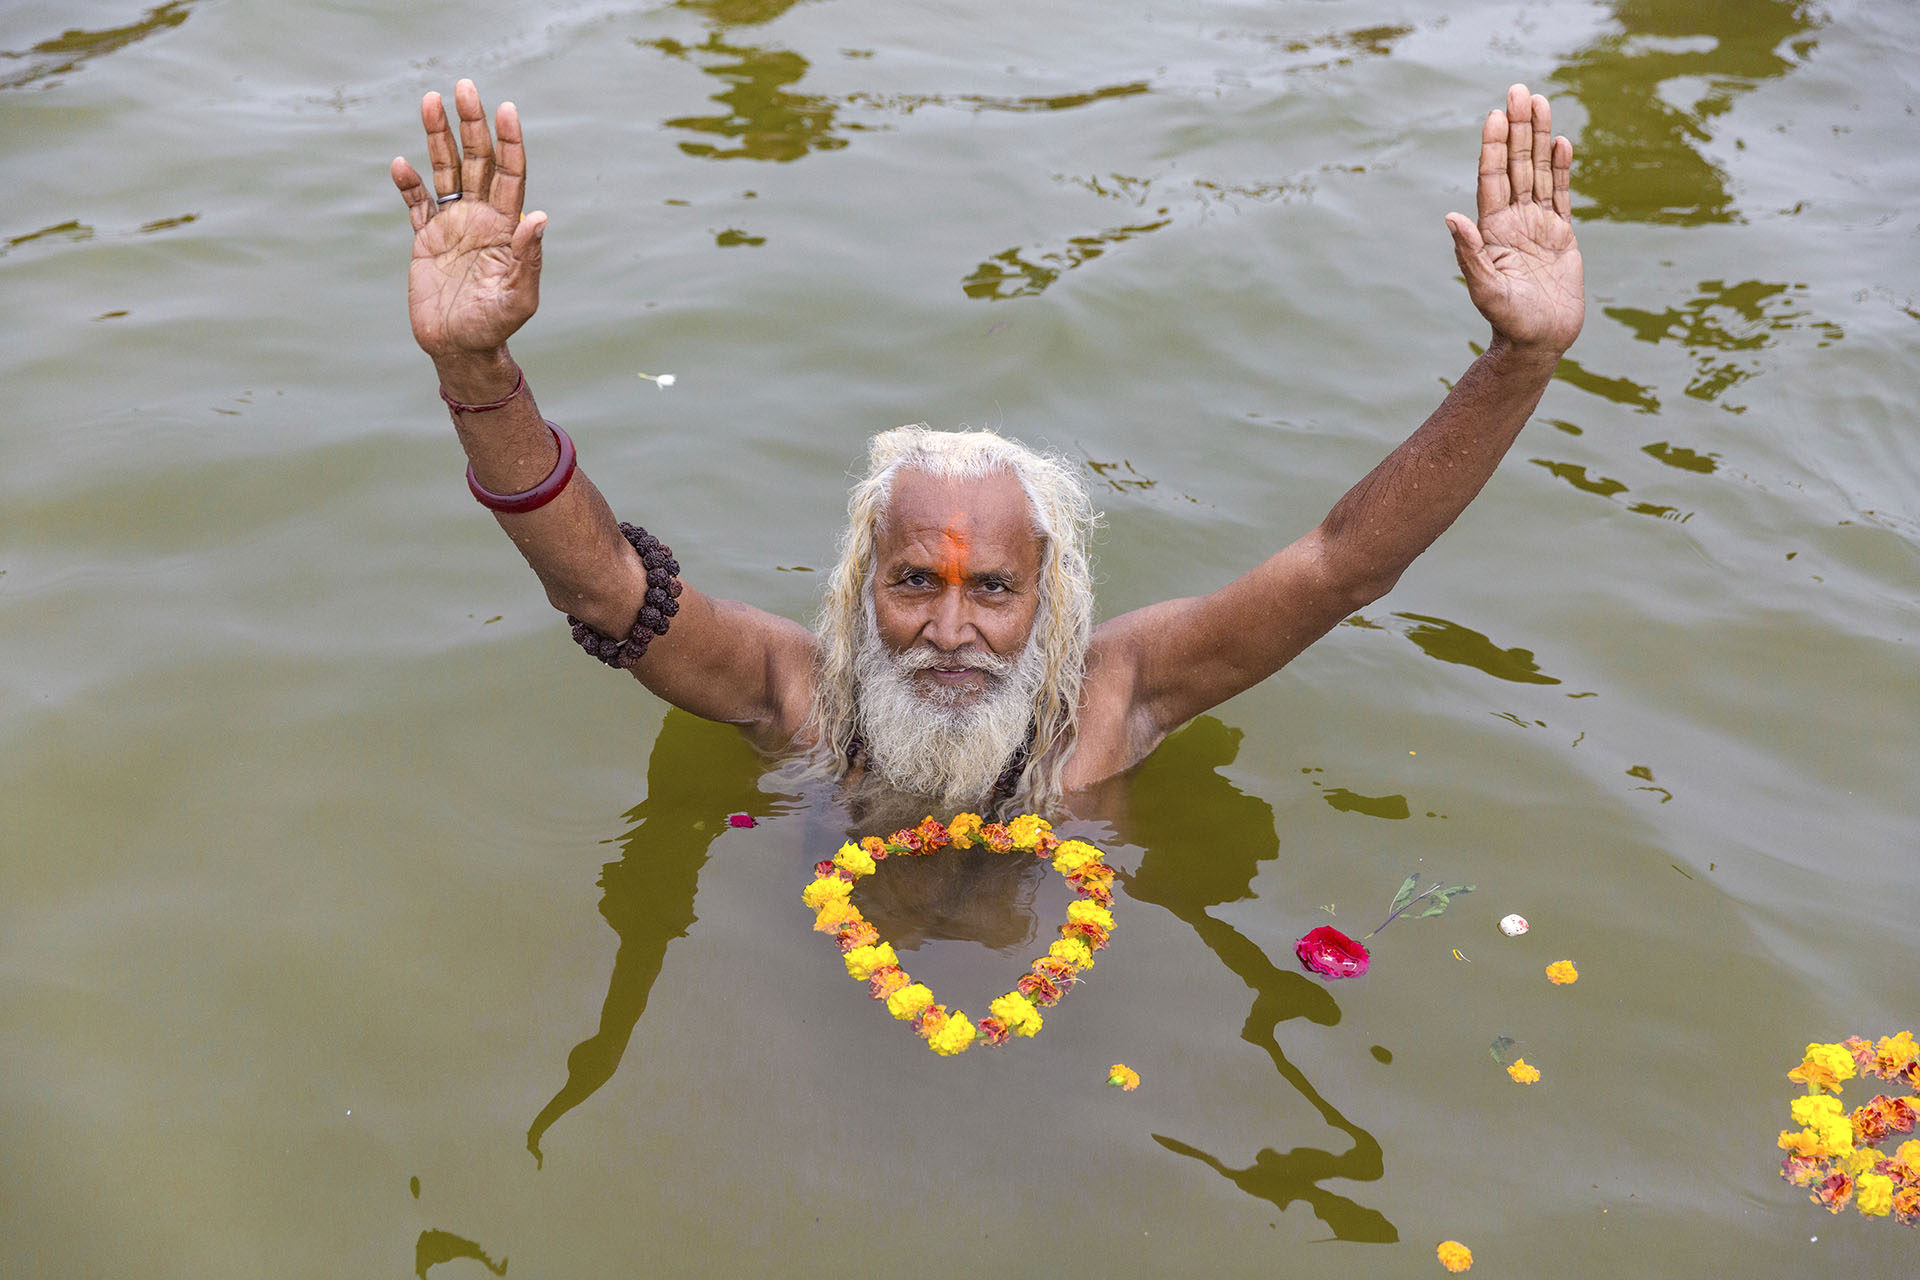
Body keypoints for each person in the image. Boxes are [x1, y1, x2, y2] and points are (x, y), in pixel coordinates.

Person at [390, 80, 1584, 818]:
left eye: (993, 587)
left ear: (1052, 597)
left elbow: (1344, 565)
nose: (952, 629)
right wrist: (476, 373)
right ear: (861, 588)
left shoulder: (1118, 695)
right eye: (915, 580)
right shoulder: (795, 696)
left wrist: (1516, 362)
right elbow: (602, 585)